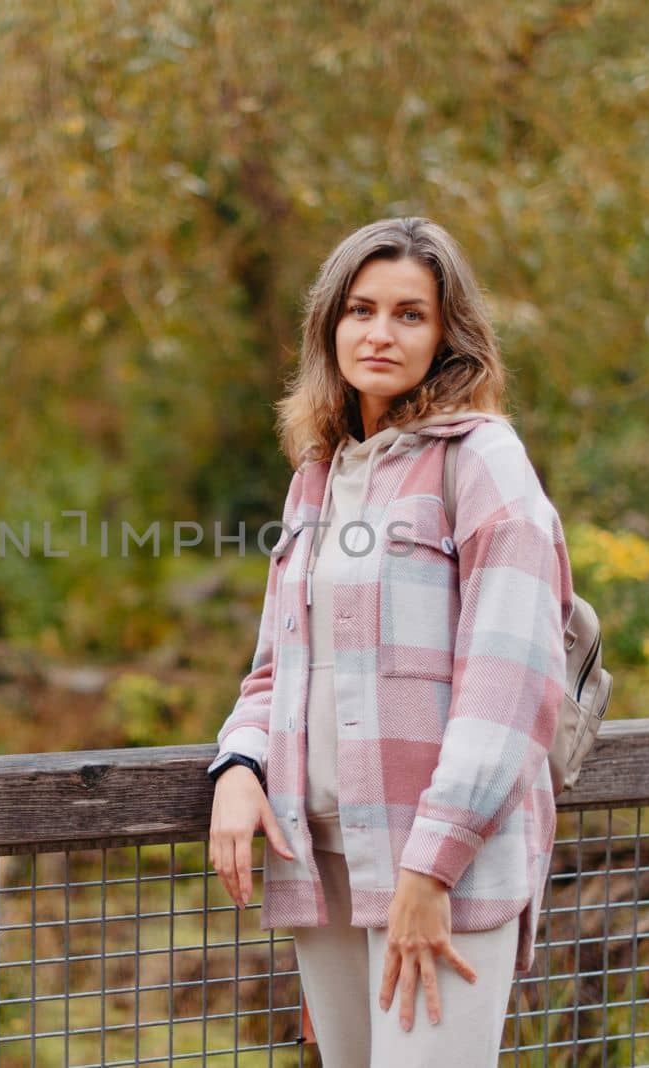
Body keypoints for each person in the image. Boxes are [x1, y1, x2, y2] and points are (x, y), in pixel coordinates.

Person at [207, 217, 574, 1066]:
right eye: (361, 309)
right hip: (321, 860)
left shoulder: (484, 463)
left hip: (442, 866)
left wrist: (431, 869)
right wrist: (237, 766)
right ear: (328, 324)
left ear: (448, 334)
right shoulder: (319, 475)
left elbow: (510, 687)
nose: (380, 333)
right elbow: (274, 673)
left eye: (410, 314)